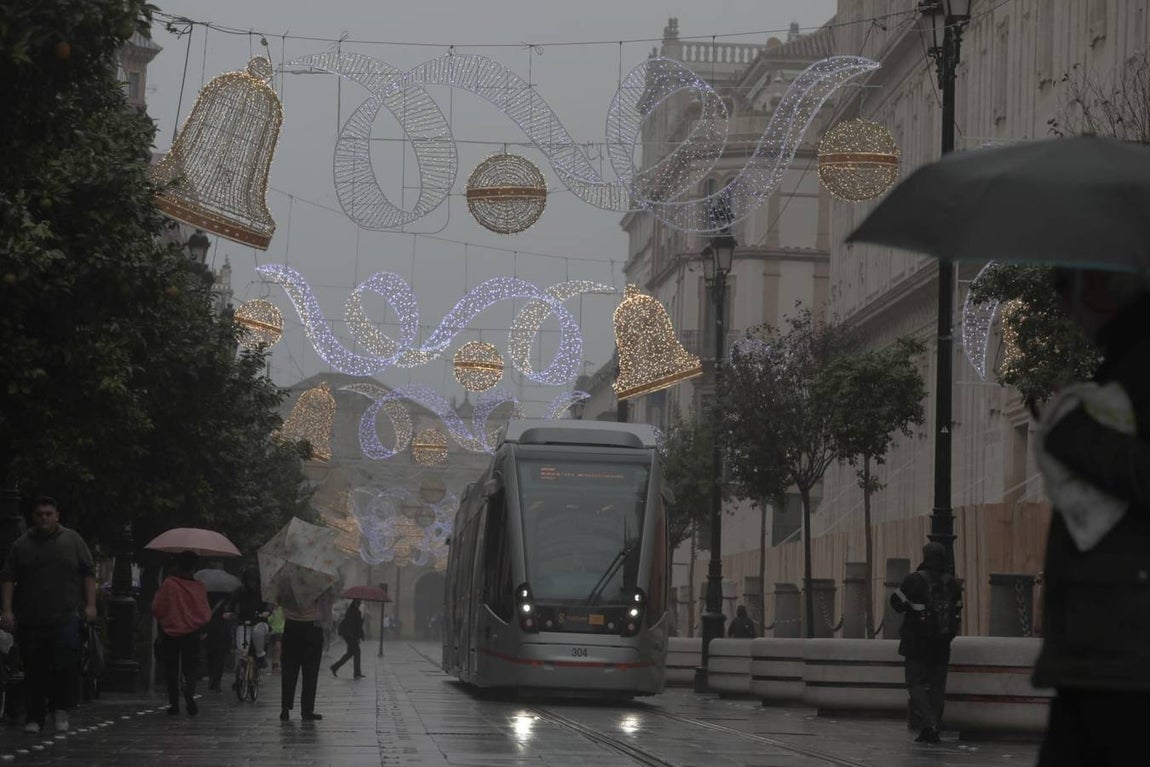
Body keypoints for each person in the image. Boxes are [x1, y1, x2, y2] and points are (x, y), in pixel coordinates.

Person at [1031, 268, 1150, 766]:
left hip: (1125, 654)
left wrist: (1070, 431)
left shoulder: (1140, 362)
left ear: (1100, 285)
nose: (1062, 306)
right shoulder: (1124, 359)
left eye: (1065, 286)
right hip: (1107, 650)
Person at [0, 496, 97, 734]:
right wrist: (7, 610)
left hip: (66, 616)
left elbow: (88, 572)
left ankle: (60, 709)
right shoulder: (22, 545)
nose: (44, 518)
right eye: (39, 514)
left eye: (48, 513)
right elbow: (8, 577)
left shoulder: (72, 540)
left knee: (66, 665)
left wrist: (91, 605)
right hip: (32, 618)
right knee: (35, 669)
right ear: (33, 517)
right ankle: (35, 717)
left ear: (57, 516)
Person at [890, 542, 962, 744]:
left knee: (915, 682)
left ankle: (929, 723)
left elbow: (895, 603)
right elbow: (957, 611)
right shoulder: (953, 583)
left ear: (925, 556)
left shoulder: (915, 580)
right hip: (942, 642)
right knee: (938, 686)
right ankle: (932, 729)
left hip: (917, 642)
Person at [152, 550, 212, 716]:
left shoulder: (169, 584)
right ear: (194, 567)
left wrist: (167, 618)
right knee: (190, 668)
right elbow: (205, 614)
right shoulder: (199, 587)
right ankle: (189, 691)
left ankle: (174, 704)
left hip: (170, 633)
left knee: (171, 668)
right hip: (192, 634)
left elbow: (157, 608)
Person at [279, 589, 330, 722]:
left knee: (289, 670)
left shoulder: (288, 580)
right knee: (310, 672)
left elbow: (282, 601)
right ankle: (307, 710)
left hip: (291, 625)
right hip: (313, 626)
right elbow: (326, 610)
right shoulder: (320, 581)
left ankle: (285, 708)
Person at [222, 569, 270, 668]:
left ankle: (260, 656)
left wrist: (267, 611)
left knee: (258, 632)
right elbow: (231, 603)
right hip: (243, 621)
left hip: (259, 621)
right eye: (249, 580)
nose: (252, 583)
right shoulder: (239, 591)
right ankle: (240, 674)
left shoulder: (263, 591)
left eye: (254, 581)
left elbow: (269, 604)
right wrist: (228, 612)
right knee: (241, 648)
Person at [203, 591, 232, 692]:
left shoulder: (207, 597)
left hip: (211, 630)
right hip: (221, 632)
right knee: (218, 657)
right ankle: (216, 681)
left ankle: (213, 679)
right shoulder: (228, 599)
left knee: (213, 656)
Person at [330, 599, 365, 679]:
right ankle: (356, 673)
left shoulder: (354, 611)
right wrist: (357, 636)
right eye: (358, 603)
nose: (359, 604)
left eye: (360, 603)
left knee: (350, 654)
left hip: (350, 635)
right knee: (356, 652)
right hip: (350, 636)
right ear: (355, 603)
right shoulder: (353, 611)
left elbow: (357, 625)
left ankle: (335, 667)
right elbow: (353, 625)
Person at [267, 604, 285, 673]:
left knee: (279, 649)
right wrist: (273, 615)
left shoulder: (283, 609)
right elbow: (268, 621)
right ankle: (275, 665)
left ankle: (277, 664)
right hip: (274, 632)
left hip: (282, 631)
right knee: (276, 648)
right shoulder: (270, 610)